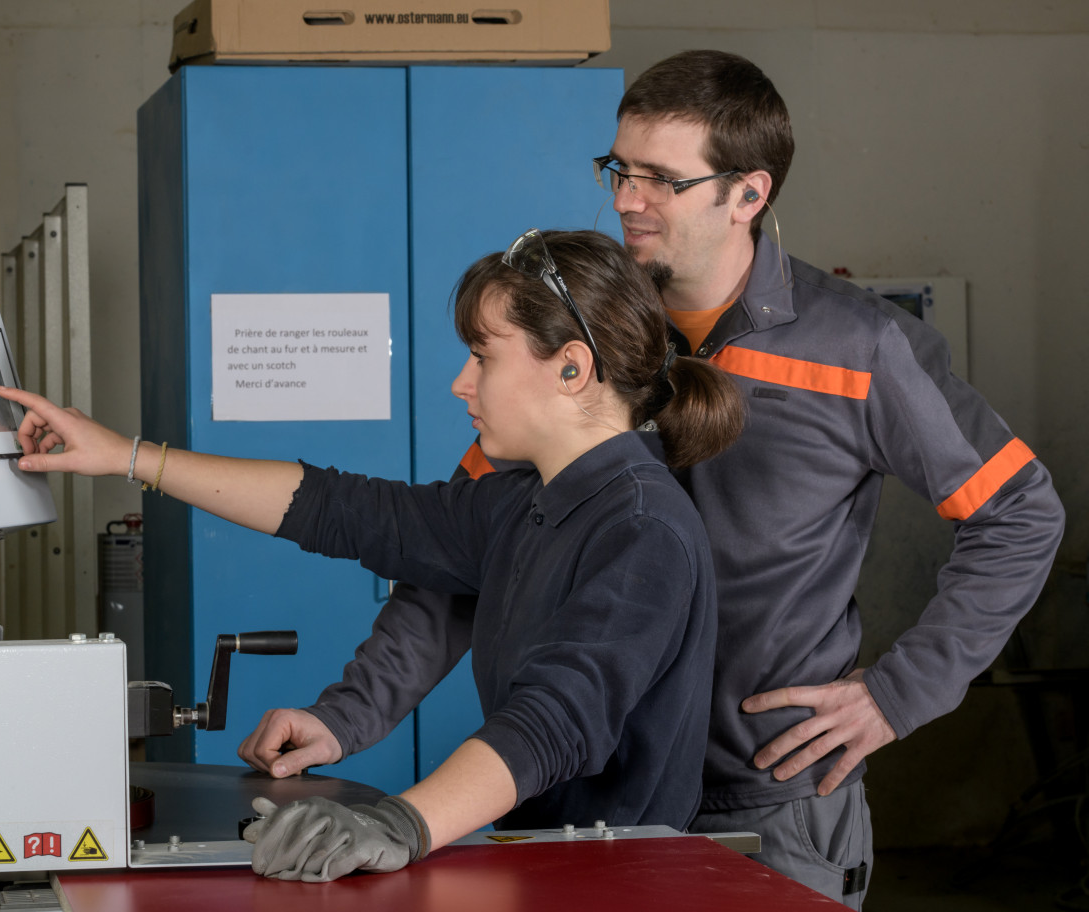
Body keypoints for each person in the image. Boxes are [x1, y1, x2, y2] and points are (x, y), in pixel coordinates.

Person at [239, 51, 1066, 907]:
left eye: (660, 179)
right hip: (582, 795)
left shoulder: (859, 350)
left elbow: (1020, 514)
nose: (626, 199)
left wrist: (899, 692)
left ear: (748, 193)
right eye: (619, 170)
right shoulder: (581, 327)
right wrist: (352, 713)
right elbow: (471, 549)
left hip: (771, 806)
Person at [0, 228, 745, 882]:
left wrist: (398, 825)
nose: (462, 383)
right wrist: (127, 456)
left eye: (482, 358)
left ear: (572, 368)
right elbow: (346, 510)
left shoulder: (643, 530)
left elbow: (554, 721)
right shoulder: (525, 500)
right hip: (549, 864)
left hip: (620, 884)